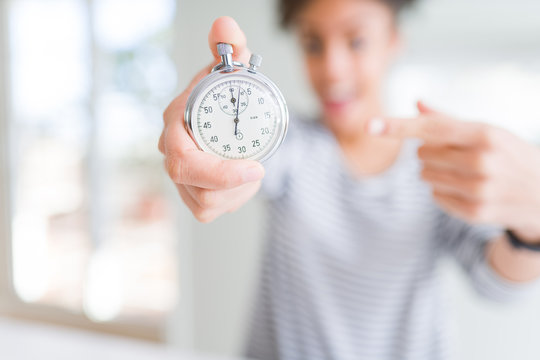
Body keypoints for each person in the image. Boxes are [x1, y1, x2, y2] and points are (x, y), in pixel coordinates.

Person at [159, 0, 540, 359]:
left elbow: (497, 283)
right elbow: (248, 166)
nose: (332, 69)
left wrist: (532, 221)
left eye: (356, 41)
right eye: (313, 44)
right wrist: (209, 141)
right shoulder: (287, 145)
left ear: (393, 41)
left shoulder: (432, 163)